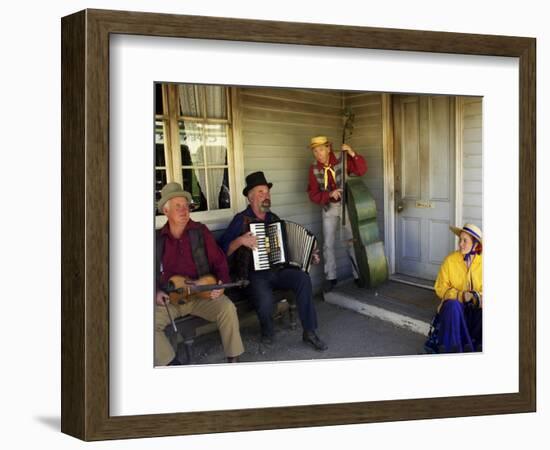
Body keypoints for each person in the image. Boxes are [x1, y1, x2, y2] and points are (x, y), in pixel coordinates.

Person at [218, 171, 328, 351]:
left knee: (303, 278)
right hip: (253, 275)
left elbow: (287, 249)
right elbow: (222, 250)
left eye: (267, 192)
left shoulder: (274, 219)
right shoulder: (241, 220)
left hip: (278, 270)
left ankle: (310, 331)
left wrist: (309, 255)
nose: (266, 196)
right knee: (264, 297)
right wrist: (240, 241)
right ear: (250, 198)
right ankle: (267, 333)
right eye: (260, 192)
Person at [155, 182, 244, 365]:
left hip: (201, 295)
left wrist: (221, 284)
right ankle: (172, 367)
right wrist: (155, 291)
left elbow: (219, 261)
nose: (184, 210)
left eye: (186, 206)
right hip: (170, 300)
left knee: (227, 309)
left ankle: (234, 361)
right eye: (178, 206)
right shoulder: (156, 240)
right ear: (166, 211)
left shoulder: (200, 232)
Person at [306, 135, 368, 291]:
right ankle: (331, 278)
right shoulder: (313, 168)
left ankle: (358, 275)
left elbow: (361, 170)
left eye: (321, 149)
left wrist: (353, 153)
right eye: (315, 151)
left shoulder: (343, 158)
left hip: (347, 205)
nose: (318, 154)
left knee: (351, 241)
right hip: (329, 208)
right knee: (328, 244)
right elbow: (313, 194)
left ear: (328, 148)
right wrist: (328, 195)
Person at [425, 224, 483, 353]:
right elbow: (440, 287)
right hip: (456, 311)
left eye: (465, 241)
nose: (460, 244)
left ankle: (478, 345)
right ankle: (453, 348)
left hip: (475, 312)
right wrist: (460, 296)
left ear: (475, 245)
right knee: (453, 305)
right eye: (460, 240)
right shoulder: (450, 261)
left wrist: (476, 297)